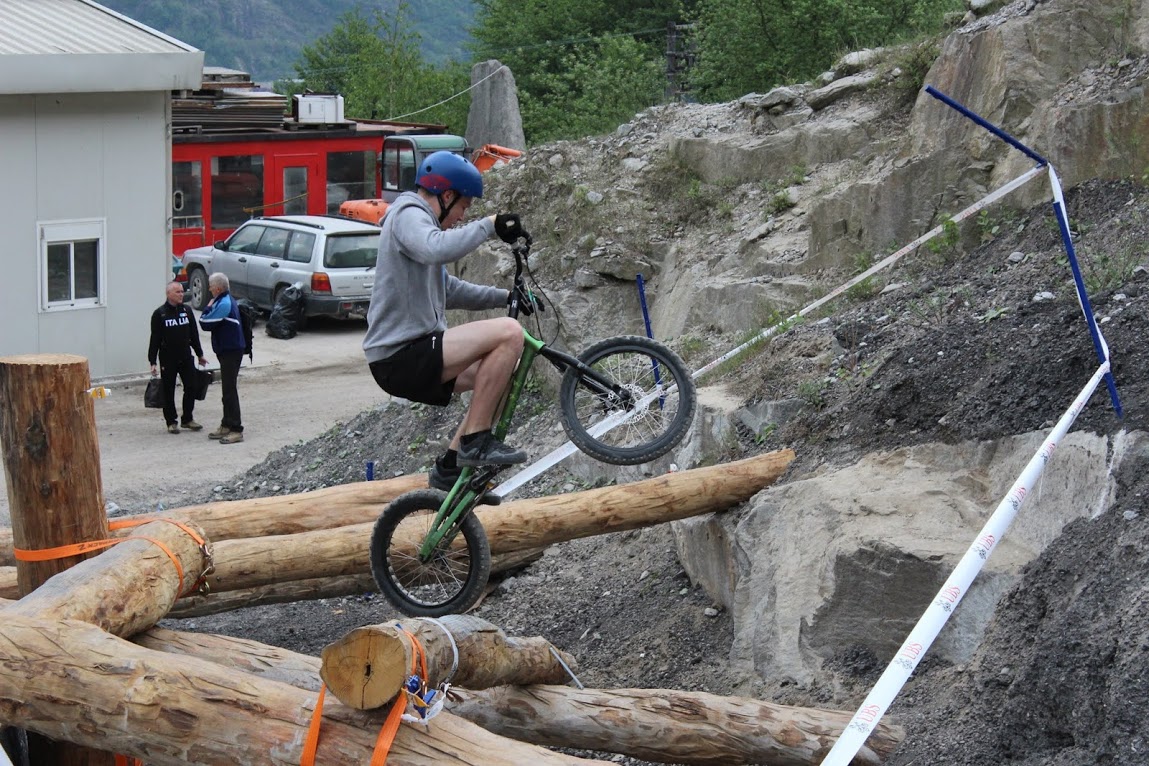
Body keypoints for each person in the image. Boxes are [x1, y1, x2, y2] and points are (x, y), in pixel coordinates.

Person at [363, 150, 531, 491]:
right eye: (463, 208)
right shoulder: (409, 214)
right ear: (447, 195)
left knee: (504, 369)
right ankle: (475, 442)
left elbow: (449, 290)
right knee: (510, 332)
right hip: (400, 355)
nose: (461, 217)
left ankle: (451, 466)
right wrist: (488, 226)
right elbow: (435, 248)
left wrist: (505, 296)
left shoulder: (419, 227)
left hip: (415, 354)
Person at [148, 281, 208, 434]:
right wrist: (152, 361)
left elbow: (194, 334)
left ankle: (187, 419)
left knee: (191, 386)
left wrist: (200, 354)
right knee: (168, 390)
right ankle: (171, 421)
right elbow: (155, 339)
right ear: (168, 294)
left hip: (185, 356)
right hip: (168, 358)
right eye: (177, 292)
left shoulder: (187, 311)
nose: (181, 294)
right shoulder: (160, 314)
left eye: (182, 291)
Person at [199, 272, 246, 444]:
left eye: (211, 286)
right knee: (227, 390)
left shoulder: (224, 303)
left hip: (231, 351)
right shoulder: (223, 300)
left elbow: (205, 322)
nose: (209, 288)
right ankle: (226, 424)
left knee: (229, 390)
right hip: (227, 349)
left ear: (218, 288)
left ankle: (236, 429)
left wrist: (207, 307)